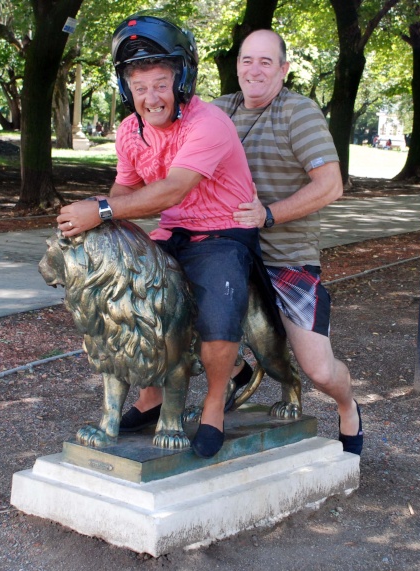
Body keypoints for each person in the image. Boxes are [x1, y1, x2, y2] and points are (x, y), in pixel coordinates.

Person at [57, 14, 262, 459]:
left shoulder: (207, 123)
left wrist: (101, 211)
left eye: (160, 83)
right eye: (140, 87)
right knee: (136, 301)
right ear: (126, 90)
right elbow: (126, 188)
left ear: (182, 79)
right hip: (173, 232)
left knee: (217, 314)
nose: (151, 97)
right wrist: (109, 233)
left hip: (222, 232)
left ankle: (213, 405)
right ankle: (150, 398)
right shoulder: (131, 131)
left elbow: (172, 188)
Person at [213, 29, 363, 455]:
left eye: (266, 62)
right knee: (169, 308)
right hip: (228, 251)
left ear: (283, 69)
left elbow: (331, 185)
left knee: (317, 369)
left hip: (286, 258)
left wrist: (269, 213)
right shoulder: (219, 110)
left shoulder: (298, 113)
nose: (254, 69)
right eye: (247, 60)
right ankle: (241, 371)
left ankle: (347, 406)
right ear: (237, 65)